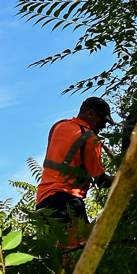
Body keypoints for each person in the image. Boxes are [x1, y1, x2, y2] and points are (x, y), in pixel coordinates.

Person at [33, 96, 113, 251]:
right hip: (66, 202)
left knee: (58, 259)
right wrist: (126, 177)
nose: (103, 126)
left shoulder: (58, 126)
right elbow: (101, 181)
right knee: (80, 256)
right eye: (102, 121)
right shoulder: (90, 138)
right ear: (90, 113)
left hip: (43, 202)